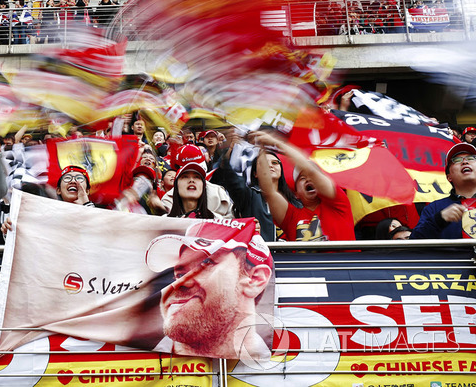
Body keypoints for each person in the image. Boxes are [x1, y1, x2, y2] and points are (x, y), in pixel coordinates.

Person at [145, 220, 273, 361]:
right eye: (180, 275)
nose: (180, 284)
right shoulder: (138, 359)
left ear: (255, 279)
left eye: (205, 265)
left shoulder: (277, 375)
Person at [252, 131, 355, 242]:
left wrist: (277, 142)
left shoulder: (338, 203)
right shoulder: (291, 217)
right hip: (305, 260)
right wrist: (261, 149)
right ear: (296, 194)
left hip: (342, 259)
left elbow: (309, 170)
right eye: (302, 178)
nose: (308, 178)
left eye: (312, 176)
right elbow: (269, 191)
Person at [411, 142, 476, 239]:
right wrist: (439, 219)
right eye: (457, 160)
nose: (465, 162)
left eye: (471, 158)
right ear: (449, 177)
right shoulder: (435, 208)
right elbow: (415, 241)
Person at [160, 145, 233, 218]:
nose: (191, 180)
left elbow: (235, 222)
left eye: (197, 177)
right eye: (185, 177)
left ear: (203, 184)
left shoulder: (219, 193)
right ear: (176, 184)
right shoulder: (167, 200)